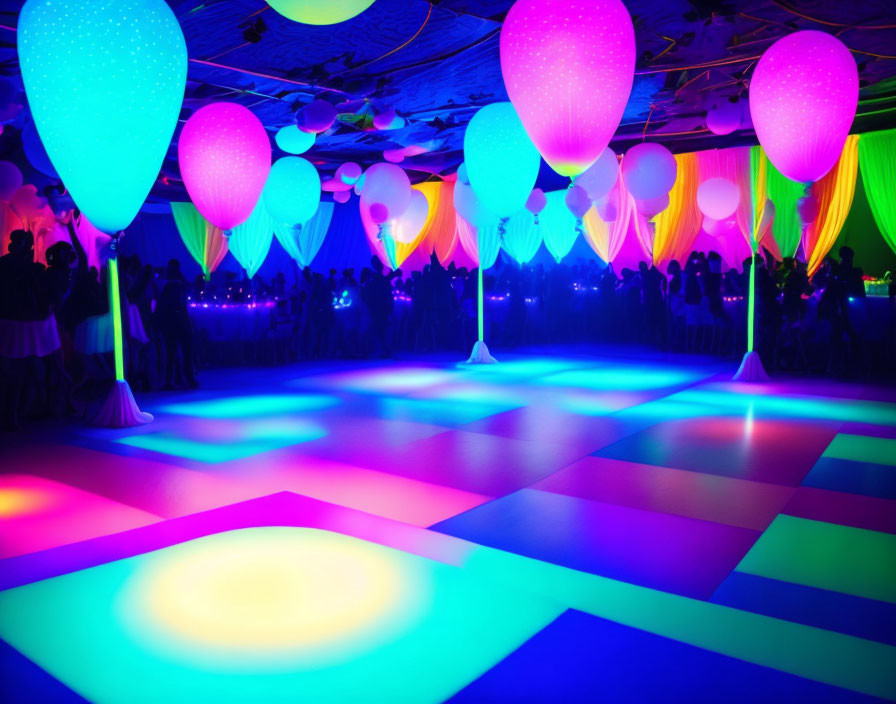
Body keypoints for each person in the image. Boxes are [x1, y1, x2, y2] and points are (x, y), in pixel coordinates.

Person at [156, 259, 198, 389]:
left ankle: (173, 380)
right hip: (178, 322)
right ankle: (183, 379)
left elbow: (163, 305)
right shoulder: (178, 283)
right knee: (181, 351)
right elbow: (180, 303)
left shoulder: (168, 284)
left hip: (172, 322)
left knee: (172, 352)